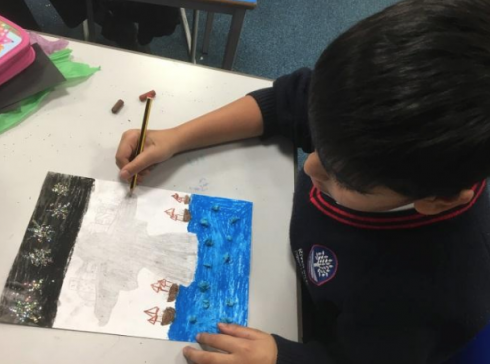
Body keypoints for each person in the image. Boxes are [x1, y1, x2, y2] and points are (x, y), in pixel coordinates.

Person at [115, 0, 490, 363]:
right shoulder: (363, 107)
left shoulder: (428, 296)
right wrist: (176, 137)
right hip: (290, 266)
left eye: (342, 177)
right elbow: (285, 103)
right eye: (318, 144)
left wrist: (284, 358)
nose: (310, 167)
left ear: (438, 201)